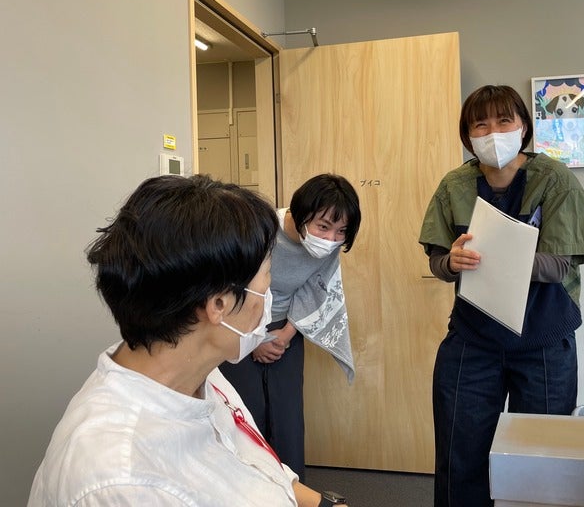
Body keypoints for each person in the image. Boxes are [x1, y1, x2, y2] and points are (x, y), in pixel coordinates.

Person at [28, 174, 348, 507]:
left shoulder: (203, 375)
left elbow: (258, 468)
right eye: (267, 276)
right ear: (219, 305)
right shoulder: (124, 481)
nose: (269, 293)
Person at [418, 85, 584, 507]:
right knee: (460, 456)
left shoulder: (555, 181)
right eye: (480, 125)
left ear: (523, 127)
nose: (493, 133)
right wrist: (453, 262)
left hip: (543, 338)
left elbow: (558, 264)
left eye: (504, 121)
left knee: (541, 458)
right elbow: (438, 261)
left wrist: (490, 258)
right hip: (473, 338)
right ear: (467, 135)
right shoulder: (454, 186)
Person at [219, 173, 361, 482]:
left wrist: (284, 336)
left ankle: (293, 490)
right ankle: (248, 489)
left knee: (288, 415)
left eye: (341, 231)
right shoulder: (261, 230)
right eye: (323, 227)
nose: (331, 239)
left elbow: (313, 291)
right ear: (298, 215)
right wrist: (255, 338)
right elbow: (232, 287)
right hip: (239, 327)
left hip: (287, 329)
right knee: (245, 410)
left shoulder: (329, 246)